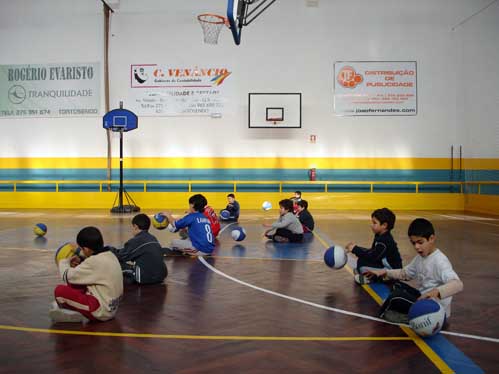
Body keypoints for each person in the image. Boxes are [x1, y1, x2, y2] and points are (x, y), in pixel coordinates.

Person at [365, 218, 463, 323]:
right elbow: (405, 274)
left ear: (431, 238)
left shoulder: (440, 261)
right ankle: (408, 315)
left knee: (395, 297)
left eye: (420, 242)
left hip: (435, 310)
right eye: (413, 243)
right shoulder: (420, 258)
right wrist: (384, 272)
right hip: (422, 299)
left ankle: (384, 315)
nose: (416, 247)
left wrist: (436, 292)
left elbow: (458, 284)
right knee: (397, 286)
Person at [50, 226, 123, 323]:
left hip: (101, 311)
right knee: (78, 281)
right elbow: (92, 261)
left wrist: (64, 261)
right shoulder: (110, 254)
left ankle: (70, 312)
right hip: (112, 307)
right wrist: (80, 257)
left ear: (87, 249)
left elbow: (66, 276)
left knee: (59, 291)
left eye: (82, 249)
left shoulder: (93, 262)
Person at [345, 208, 402, 284]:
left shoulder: (385, 241)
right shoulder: (379, 235)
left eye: (374, 223)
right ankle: (366, 273)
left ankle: (373, 278)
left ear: (384, 225)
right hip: (383, 265)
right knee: (361, 261)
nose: (371, 225)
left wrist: (355, 249)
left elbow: (372, 257)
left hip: (391, 271)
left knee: (362, 264)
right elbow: (373, 251)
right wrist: (356, 248)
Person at [113, 213, 167, 285]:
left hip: (145, 278)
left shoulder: (135, 241)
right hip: (161, 276)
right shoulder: (153, 238)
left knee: (115, 264)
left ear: (135, 226)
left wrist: (110, 250)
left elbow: (120, 256)